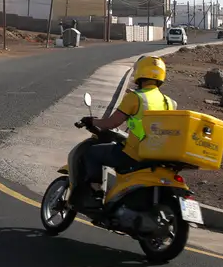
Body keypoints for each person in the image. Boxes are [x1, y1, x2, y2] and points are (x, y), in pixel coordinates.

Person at [70, 55, 178, 207]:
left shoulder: (135, 97)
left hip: (133, 154)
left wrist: (91, 121)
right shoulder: (170, 103)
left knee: (92, 153)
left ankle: (95, 193)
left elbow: (111, 122)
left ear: (140, 73)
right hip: (156, 155)